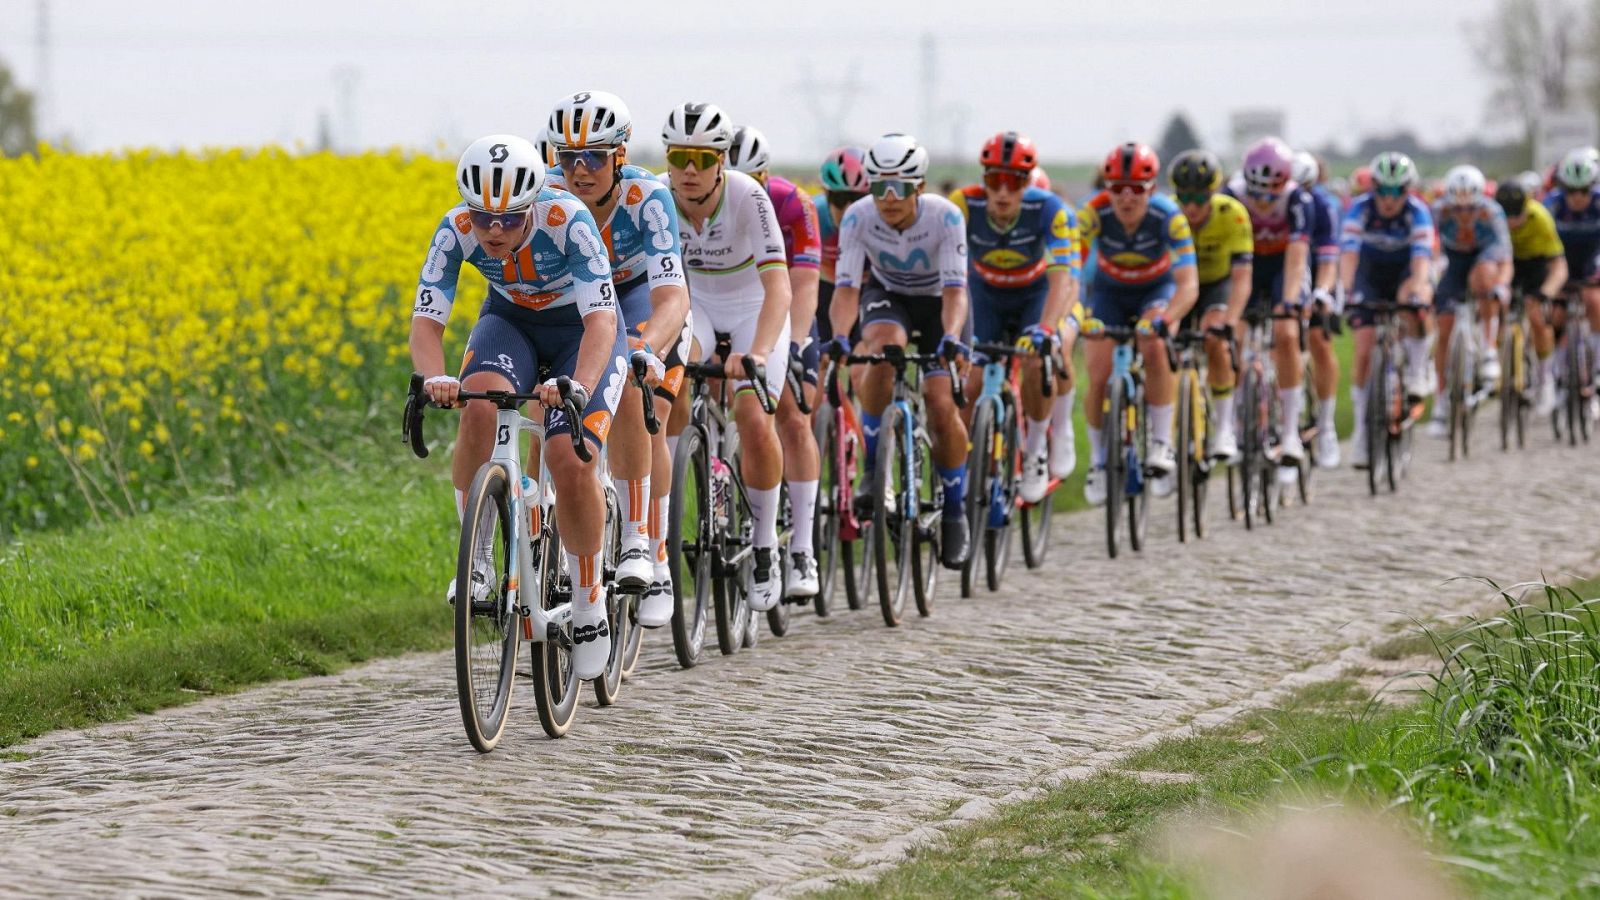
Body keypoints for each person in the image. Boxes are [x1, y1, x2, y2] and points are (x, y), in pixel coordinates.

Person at [412, 134, 627, 680]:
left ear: (532, 203)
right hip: (510, 326)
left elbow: (601, 320)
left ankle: (588, 602)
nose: (495, 231)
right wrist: (433, 377)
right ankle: (478, 557)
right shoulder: (455, 228)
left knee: (568, 458)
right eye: (484, 218)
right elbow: (428, 320)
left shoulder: (567, 219)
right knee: (477, 404)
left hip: (581, 334)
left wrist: (576, 385)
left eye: (509, 218)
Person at [543, 91, 692, 628]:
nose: (580, 170)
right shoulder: (545, 197)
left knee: (634, 388)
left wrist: (648, 347)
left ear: (620, 156)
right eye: (568, 158)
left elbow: (673, 295)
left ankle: (646, 547)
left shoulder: (648, 196)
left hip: (637, 299)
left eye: (595, 157)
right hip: (579, 305)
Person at [661, 102, 792, 612]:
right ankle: (661, 534)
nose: (688, 170)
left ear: (721, 161)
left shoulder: (747, 196)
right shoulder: (659, 196)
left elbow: (778, 285)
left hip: (751, 308)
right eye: (679, 157)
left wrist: (757, 351)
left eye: (701, 158)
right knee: (669, 381)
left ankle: (764, 545)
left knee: (752, 415)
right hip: (695, 307)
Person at [828, 132, 973, 568]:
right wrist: (839, 335)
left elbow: (955, 291)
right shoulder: (857, 218)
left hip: (939, 304)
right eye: (879, 187)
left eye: (901, 188)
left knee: (940, 402)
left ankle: (954, 510)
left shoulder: (945, 218)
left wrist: (950, 336)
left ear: (920, 188)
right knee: (882, 350)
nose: (889, 198)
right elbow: (848, 289)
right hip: (889, 296)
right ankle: (874, 469)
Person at [950, 130, 1080, 503]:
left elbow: (1063, 279)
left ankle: (1037, 449)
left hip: (1034, 294)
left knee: (1039, 359)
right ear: (983, 181)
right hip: (985, 294)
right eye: (994, 181)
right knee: (967, 382)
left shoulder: (1050, 209)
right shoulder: (963, 204)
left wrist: (1046, 328)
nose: (1003, 192)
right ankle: (966, 469)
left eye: (1015, 182)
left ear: (1027, 182)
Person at [728, 124, 824, 598]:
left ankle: (803, 548)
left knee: (790, 413)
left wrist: (801, 342)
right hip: (723, 304)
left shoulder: (792, 203)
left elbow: (803, 284)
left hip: (780, 308)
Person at [1077, 142, 1198, 505]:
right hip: (1110, 292)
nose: (1126, 199)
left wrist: (1167, 318)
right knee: (1097, 373)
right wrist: (1080, 316)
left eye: (1137, 190)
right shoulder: (1093, 213)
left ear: (1152, 190)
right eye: (1117, 189)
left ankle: (1162, 443)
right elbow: (1069, 272)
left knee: (1154, 345)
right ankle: (1099, 462)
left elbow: (1188, 284)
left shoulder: (1168, 216)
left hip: (1155, 290)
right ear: (1106, 188)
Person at [1338, 151, 1436, 469]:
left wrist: (1419, 288)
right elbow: (1349, 255)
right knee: (1364, 347)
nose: (1389, 199)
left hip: (1405, 271)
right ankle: (1363, 434)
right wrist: (1345, 290)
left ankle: (1418, 370)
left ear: (1407, 190)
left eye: (1397, 191)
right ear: (1373, 188)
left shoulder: (1417, 212)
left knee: (1413, 301)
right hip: (1370, 273)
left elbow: (1422, 259)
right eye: (1383, 190)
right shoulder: (1360, 210)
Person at [1224, 137, 1313, 476]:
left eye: (1269, 193)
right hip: (1245, 268)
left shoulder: (1296, 201)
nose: (1262, 202)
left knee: (1287, 335)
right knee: (1232, 336)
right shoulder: (1232, 196)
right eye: (1256, 192)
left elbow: (1297, 259)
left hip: (1280, 268)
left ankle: (1290, 431)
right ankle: (1230, 421)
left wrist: (1289, 303)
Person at [1169, 149, 1253, 460]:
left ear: (1214, 192)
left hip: (1217, 283)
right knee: (1164, 350)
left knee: (1215, 339)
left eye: (1200, 198)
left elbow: (1242, 277)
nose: (1191, 206)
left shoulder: (1233, 214)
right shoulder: (1169, 215)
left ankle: (1224, 428)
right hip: (1179, 285)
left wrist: (1230, 321)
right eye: (1184, 197)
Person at [1428, 164, 1512, 437]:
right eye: (1458, 207)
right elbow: (1429, 245)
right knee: (1444, 328)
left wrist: (1501, 286)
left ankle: (1488, 348)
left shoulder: (1492, 211)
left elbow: (1504, 255)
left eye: (1470, 207)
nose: (1464, 213)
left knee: (1484, 278)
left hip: (1484, 257)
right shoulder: (1439, 210)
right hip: (1454, 261)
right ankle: (1441, 400)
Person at [1494, 180, 1567, 415]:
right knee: (1497, 313)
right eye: (1507, 216)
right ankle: (1500, 368)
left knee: (1536, 316)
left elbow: (1558, 264)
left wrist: (1547, 292)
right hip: (1507, 263)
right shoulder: (1492, 218)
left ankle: (1545, 380)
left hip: (1536, 264)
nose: (1512, 222)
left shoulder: (1541, 217)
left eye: (1517, 215)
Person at [1292, 150, 1345, 466]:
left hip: (1319, 269)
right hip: (1286, 272)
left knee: (1319, 343)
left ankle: (1326, 425)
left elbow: (1330, 257)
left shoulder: (1326, 206)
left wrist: (1322, 293)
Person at [1543, 148, 1600, 397]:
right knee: (1556, 313)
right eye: (1571, 191)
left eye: (1584, 190)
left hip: (1593, 259)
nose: (1577, 197)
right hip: (1561, 261)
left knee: (1593, 301)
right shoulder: (1552, 204)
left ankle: (1597, 366)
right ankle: (1558, 367)